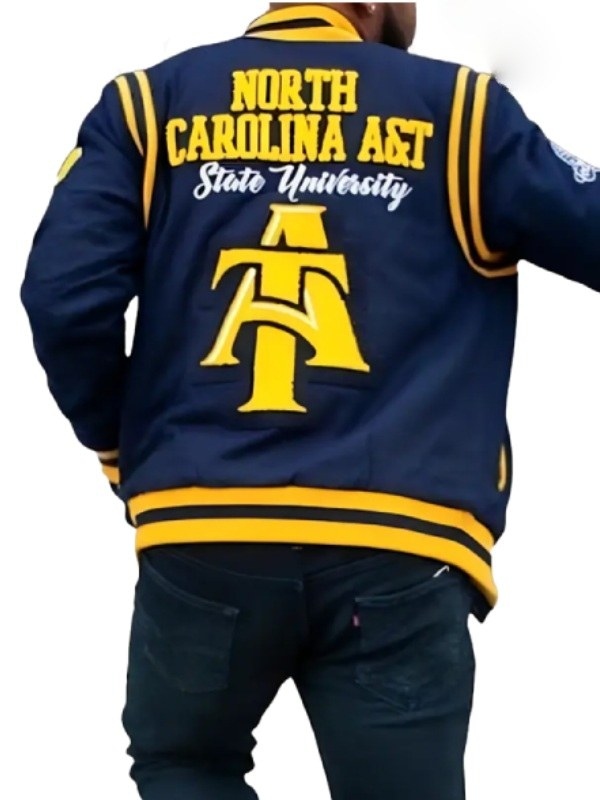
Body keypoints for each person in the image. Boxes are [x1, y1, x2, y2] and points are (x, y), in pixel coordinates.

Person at [20, 2, 600, 798]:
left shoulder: (147, 105)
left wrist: (121, 443)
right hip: (398, 542)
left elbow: (62, 297)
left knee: (186, 763)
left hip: (204, 530)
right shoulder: (463, 113)